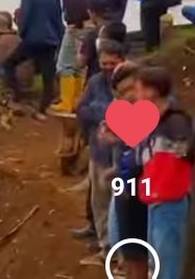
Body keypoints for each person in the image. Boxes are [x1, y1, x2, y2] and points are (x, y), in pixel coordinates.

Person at [136, 67, 193, 279]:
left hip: (170, 202)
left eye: (139, 89)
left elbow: (185, 150)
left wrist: (183, 147)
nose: (136, 94)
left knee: (166, 265)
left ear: (152, 92)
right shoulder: (156, 121)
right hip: (156, 201)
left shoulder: (176, 122)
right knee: (157, 263)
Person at [75, 40, 127, 265]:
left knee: (121, 207)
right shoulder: (95, 82)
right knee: (100, 203)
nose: (107, 67)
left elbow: (124, 113)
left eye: (111, 63)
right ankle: (106, 247)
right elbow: (81, 108)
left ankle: (122, 253)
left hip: (122, 157)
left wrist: (103, 114)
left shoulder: (130, 83)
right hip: (99, 152)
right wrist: (105, 114)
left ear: (122, 60)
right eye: (103, 62)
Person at [97, 63, 149, 279]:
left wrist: (118, 138)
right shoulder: (124, 113)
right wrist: (115, 169)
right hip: (126, 189)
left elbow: (149, 150)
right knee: (129, 250)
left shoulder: (157, 112)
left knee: (147, 252)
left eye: (131, 89)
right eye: (121, 93)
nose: (128, 96)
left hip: (149, 193)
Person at [3, 0, 64, 121]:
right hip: (50, 41)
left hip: (32, 39)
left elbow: (26, 17)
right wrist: (59, 41)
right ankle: (43, 108)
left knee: (9, 63)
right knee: (48, 76)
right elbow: (58, 21)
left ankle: (17, 96)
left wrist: (22, 34)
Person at [54, 0, 92, 113]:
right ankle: (77, 100)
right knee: (80, 63)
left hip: (76, 24)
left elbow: (71, 0)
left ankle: (66, 102)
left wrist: (72, 22)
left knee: (65, 64)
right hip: (90, 23)